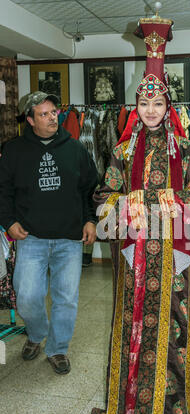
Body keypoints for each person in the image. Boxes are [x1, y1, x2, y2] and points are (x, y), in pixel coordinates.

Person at [91, 12, 190, 414]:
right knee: (133, 334)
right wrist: (128, 205)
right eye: (143, 104)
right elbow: (102, 198)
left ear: (168, 106)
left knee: (176, 335)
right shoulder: (123, 152)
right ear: (135, 105)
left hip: (177, 263)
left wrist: (168, 202)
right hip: (135, 260)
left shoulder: (186, 148)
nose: (150, 111)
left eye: (158, 103)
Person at [0, 91, 98, 374]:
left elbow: (89, 189)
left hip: (69, 238)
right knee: (27, 296)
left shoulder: (75, 148)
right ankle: (37, 332)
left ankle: (57, 349)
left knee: (66, 298)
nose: (52, 117)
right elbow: (3, 192)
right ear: (30, 119)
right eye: (43, 114)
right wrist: (8, 221)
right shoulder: (14, 150)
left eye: (53, 112)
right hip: (31, 238)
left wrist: (90, 220)